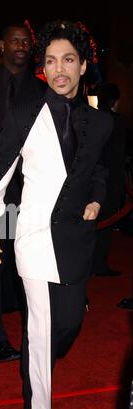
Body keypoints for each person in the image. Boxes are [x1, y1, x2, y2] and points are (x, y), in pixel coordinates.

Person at [0, 20, 113, 409]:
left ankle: (38, 356)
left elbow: (99, 170)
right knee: (39, 326)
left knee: (67, 325)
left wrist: (97, 197)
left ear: (83, 66)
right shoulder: (24, 115)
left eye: (68, 60)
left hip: (75, 239)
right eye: (50, 61)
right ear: (43, 68)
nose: (59, 70)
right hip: (33, 236)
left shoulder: (102, 122)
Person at [0, 23, 47, 362]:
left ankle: (30, 330)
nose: (21, 45)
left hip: (26, 187)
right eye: (14, 40)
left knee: (22, 260)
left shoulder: (40, 90)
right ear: (2, 45)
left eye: (25, 41)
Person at [92, 82, 127, 276]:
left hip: (92, 177)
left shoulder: (91, 118)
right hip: (109, 179)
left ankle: (92, 263)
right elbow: (117, 156)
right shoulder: (117, 121)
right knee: (105, 223)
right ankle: (99, 265)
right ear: (115, 100)